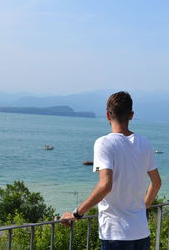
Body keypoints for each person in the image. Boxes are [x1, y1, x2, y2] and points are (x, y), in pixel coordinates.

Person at [60, 91, 161, 250]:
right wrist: (143, 207)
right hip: (141, 233)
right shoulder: (145, 143)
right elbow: (156, 183)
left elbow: (105, 185)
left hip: (116, 234)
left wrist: (77, 213)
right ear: (131, 115)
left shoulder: (104, 143)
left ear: (108, 115)